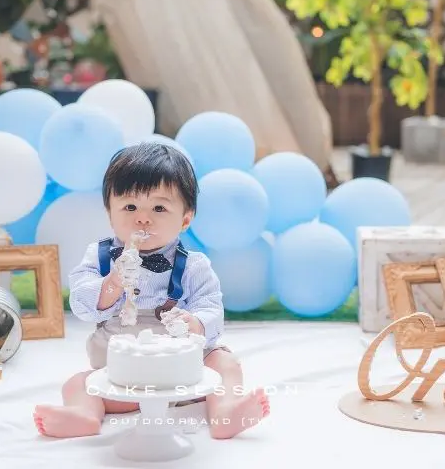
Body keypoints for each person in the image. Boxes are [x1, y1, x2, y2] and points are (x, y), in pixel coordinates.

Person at [33, 142, 270, 439]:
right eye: (130, 207)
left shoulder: (193, 265)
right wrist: (112, 283)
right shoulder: (100, 257)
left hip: (185, 376)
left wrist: (196, 323)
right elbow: (81, 304)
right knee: (78, 384)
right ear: (110, 214)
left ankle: (225, 411)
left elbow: (211, 308)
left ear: (185, 219)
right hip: (123, 378)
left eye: (159, 208)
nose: (142, 218)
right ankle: (84, 416)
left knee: (225, 363)